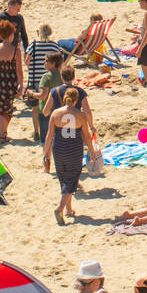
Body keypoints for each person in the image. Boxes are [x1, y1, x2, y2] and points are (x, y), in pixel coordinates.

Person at [44, 86, 86, 225]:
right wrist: (92, 150)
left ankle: (69, 209)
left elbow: (49, 135)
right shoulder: (79, 115)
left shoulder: (55, 113)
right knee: (72, 178)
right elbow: (85, 135)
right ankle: (60, 208)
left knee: (63, 178)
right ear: (76, 100)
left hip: (59, 149)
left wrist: (46, 154)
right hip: (74, 149)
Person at [0, 18, 25, 145]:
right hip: (9, 82)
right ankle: (4, 133)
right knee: (8, 109)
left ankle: (2, 134)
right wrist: (21, 86)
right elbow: (19, 71)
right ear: (10, 34)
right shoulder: (15, 51)